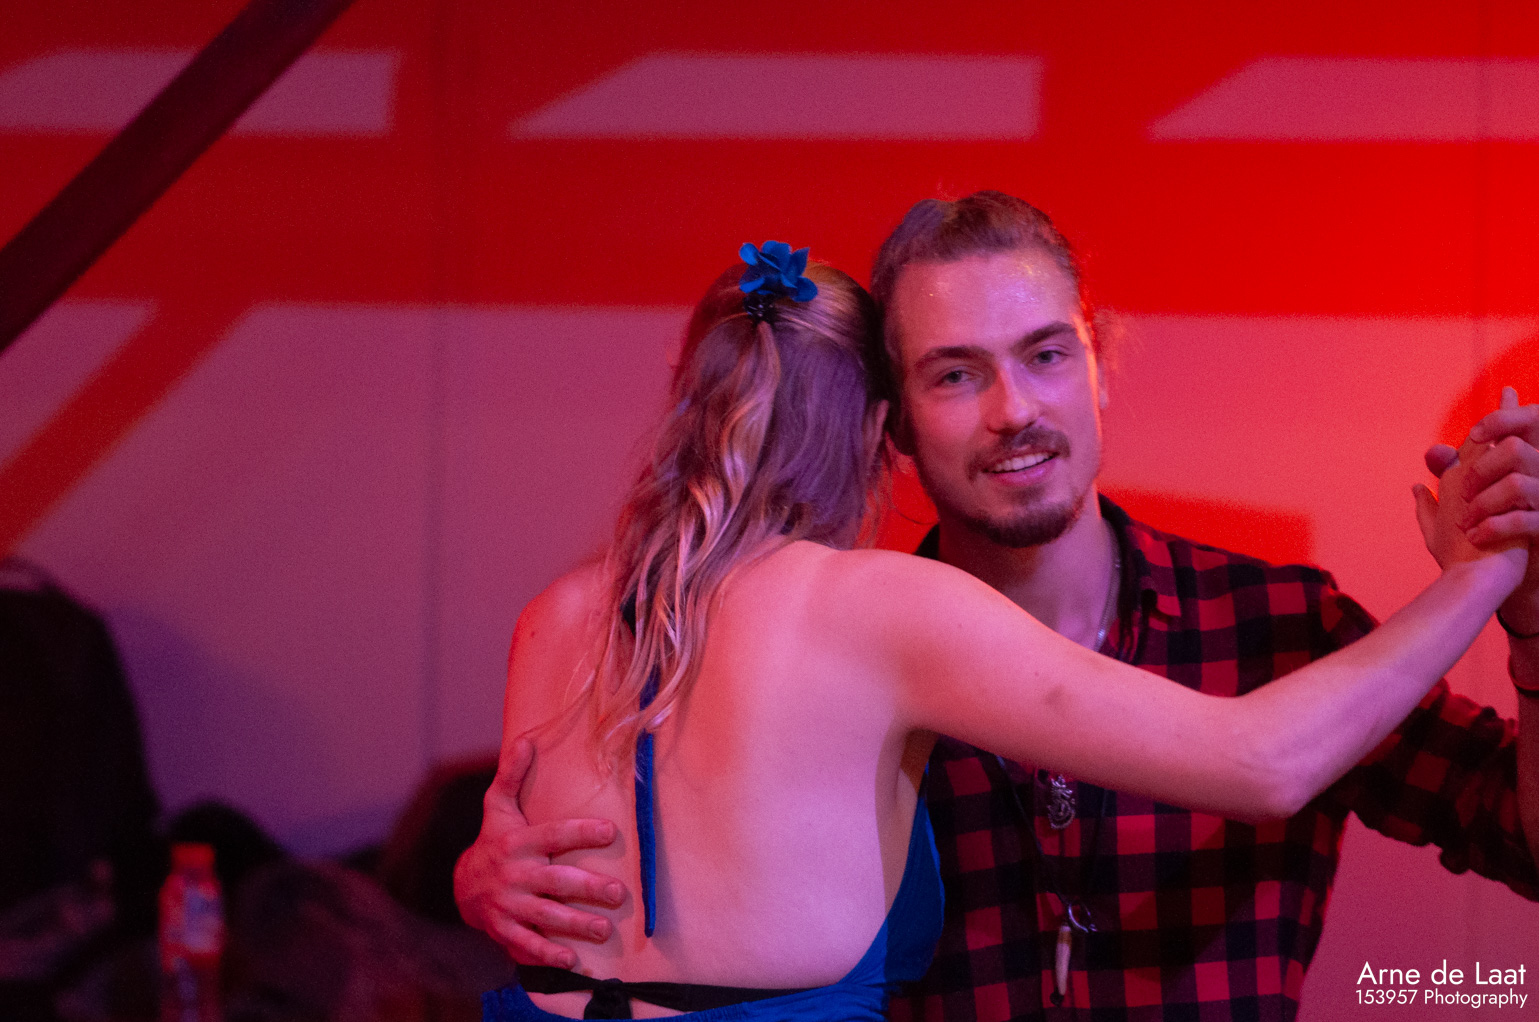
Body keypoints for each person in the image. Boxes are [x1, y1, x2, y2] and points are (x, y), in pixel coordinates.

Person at [462, 236, 1528, 1022]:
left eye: (1045, 355)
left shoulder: (1276, 624)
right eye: (957, 373)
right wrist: (1482, 573)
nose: (1012, 408)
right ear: (888, 428)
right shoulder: (876, 617)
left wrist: (1527, 626)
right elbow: (1264, 760)